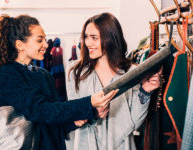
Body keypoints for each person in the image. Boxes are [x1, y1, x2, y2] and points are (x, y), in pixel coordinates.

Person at [0, 14, 118, 150]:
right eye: (39, 40)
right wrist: (90, 102)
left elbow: (52, 117)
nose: (45, 44)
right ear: (20, 45)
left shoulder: (43, 74)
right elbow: (40, 110)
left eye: (45, 39)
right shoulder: (7, 74)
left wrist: (76, 120)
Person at [66, 12, 162, 150]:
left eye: (94, 38)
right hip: (85, 144)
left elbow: (135, 122)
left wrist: (145, 91)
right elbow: (72, 115)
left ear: (110, 38)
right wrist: (90, 113)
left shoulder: (130, 72)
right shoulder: (75, 72)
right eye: (86, 37)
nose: (87, 43)